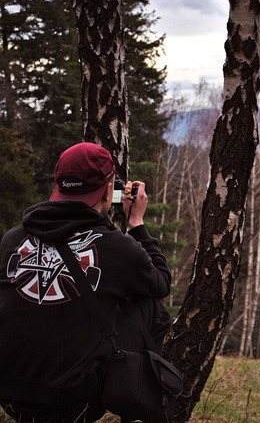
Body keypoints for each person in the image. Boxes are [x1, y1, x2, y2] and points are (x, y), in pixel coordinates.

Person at [0, 142, 172, 422]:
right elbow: (160, 282)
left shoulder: (12, 239)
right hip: (74, 400)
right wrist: (137, 223)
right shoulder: (116, 247)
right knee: (152, 308)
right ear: (107, 190)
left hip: (9, 393)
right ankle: (140, 402)